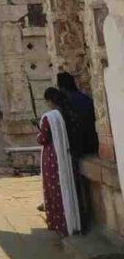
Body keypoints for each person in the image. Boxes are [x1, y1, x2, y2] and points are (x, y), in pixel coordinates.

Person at [37, 87, 81, 236]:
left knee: (55, 190)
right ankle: (70, 221)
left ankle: (58, 223)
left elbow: (42, 138)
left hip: (52, 157)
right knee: (67, 187)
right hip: (66, 154)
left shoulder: (48, 117)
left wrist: (38, 131)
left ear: (49, 101)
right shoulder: (66, 112)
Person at [57, 72, 99, 155]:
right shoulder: (83, 97)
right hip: (92, 143)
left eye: (59, 85)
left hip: (82, 146)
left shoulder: (69, 101)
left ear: (63, 87)